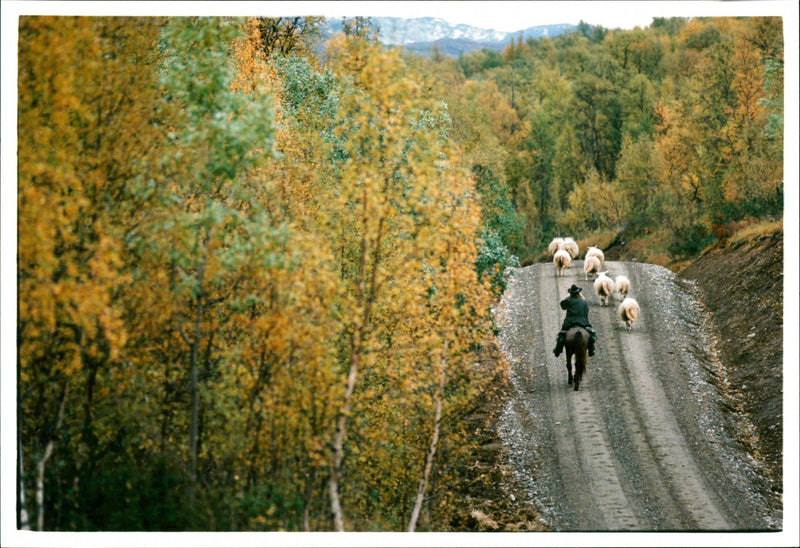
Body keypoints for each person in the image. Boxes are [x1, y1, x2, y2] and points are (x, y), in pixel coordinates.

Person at [553, 284, 596, 357]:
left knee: (561, 335)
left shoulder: (568, 300)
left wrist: (567, 299)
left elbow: (563, 306)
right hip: (583, 322)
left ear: (570, 293)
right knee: (592, 334)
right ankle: (591, 350)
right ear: (578, 293)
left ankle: (558, 349)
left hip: (570, 322)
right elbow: (586, 312)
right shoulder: (583, 301)